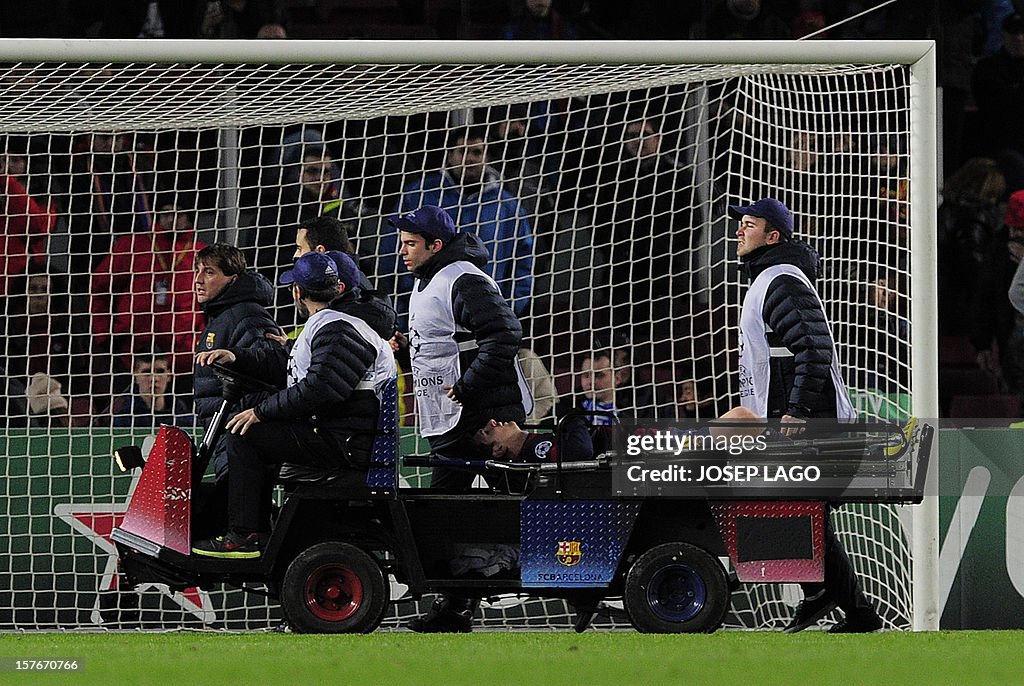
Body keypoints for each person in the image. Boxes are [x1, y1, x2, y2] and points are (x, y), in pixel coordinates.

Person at [730, 197, 883, 634]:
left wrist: (795, 410)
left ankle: (823, 596)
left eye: (750, 224)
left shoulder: (780, 280)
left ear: (773, 236)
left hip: (815, 426)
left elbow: (814, 349)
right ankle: (855, 612)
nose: (740, 231)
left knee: (770, 507)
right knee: (789, 511)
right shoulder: (770, 279)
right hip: (803, 420)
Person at [191, 252, 396, 558]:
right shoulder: (331, 324)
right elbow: (291, 365)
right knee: (255, 435)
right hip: (343, 434)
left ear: (297, 292)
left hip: (346, 441)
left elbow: (320, 388)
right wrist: (238, 356)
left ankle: (247, 534)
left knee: (245, 436)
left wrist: (261, 411)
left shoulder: (337, 327)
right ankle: (254, 527)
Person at [394, 205, 532, 633]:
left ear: (436, 245)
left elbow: (505, 334)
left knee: (511, 503)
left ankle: (569, 571)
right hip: (453, 415)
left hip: (484, 413)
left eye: (411, 244)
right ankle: (455, 606)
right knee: (448, 513)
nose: (402, 251)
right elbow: (444, 342)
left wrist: (469, 387)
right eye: (402, 243)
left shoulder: (464, 279)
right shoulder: (430, 281)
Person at [379, 126, 535, 327]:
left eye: (477, 152)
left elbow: (522, 263)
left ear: (487, 157)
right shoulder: (419, 195)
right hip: (426, 316)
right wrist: (410, 304)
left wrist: (505, 311)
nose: (469, 159)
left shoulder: (508, 207)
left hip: (486, 319)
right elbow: (392, 252)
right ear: (450, 155)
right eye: (462, 151)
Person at [90, 198, 205, 379]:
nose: (171, 219)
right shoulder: (133, 246)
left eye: (178, 214)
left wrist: (201, 339)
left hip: (184, 352)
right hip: (133, 349)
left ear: (189, 218)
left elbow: (215, 300)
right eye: (166, 213)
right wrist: (105, 333)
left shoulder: (201, 253)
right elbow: (99, 287)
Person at [192, 243, 281, 476]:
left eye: (209, 272)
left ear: (233, 279)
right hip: (228, 437)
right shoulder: (222, 316)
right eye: (197, 270)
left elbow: (275, 362)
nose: (198, 279)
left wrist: (236, 357)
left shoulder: (246, 314)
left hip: (241, 437)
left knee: (239, 507)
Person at [111, 347, 193, 428]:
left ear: (169, 375)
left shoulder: (184, 418)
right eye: (146, 372)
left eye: (160, 371)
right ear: (135, 376)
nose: (154, 379)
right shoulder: (123, 420)